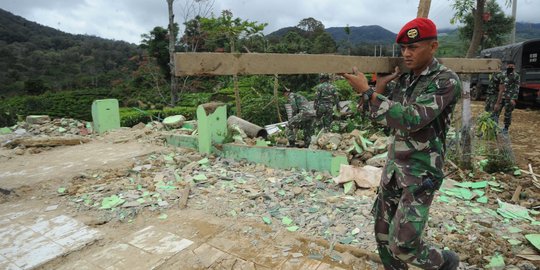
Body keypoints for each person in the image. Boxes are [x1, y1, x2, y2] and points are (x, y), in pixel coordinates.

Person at [342, 18, 461, 270]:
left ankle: (444, 262)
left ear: (433, 47)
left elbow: (412, 119)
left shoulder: (445, 81)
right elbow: (382, 117)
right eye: (403, 48)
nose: (406, 54)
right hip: (395, 169)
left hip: (420, 172)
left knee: (404, 245)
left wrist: (368, 92)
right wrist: (380, 87)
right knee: (383, 234)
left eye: (414, 47)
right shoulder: (406, 80)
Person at [493, 61, 520, 132]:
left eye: (512, 67)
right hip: (501, 97)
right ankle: (494, 127)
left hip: (509, 98)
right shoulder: (502, 74)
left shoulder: (516, 76)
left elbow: (516, 88)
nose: (510, 68)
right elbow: (499, 85)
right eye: (509, 66)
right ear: (506, 66)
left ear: (514, 67)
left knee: (508, 113)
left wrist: (514, 99)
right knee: (496, 111)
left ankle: (506, 128)